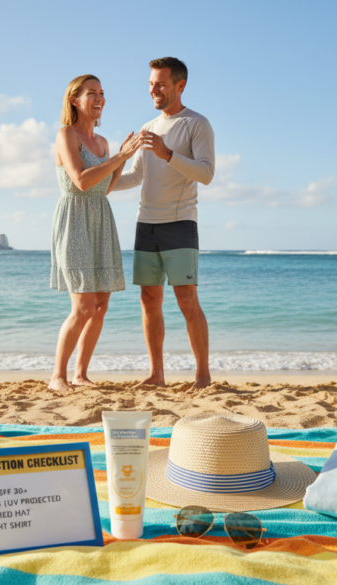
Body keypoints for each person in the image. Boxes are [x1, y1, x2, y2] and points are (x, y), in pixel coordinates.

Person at [112, 57, 215, 389]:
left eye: (160, 84)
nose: (153, 89)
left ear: (179, 86)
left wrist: (169, 154)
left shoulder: (196, 124)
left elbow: (206, 173)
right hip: (146, 224)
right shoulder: (148, 128)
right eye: (150, 84)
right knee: (148, 299)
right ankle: (157, 374)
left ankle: (202, 374)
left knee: (187, 298)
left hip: (180, 222)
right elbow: (136, 176)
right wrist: (106, 178)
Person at [49, 75, 142, 392]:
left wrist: (121, 159)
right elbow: (82, 181)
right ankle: (57, 376)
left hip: (101, 218)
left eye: (102, 93)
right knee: (83, 307)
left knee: (101, 306)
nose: (100, 98)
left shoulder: (102, 143)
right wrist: (120, 158)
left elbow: (105, 188)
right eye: (92, 93)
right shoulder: (66, 135)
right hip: (74, 220)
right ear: (74, 99)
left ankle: (80, 374)